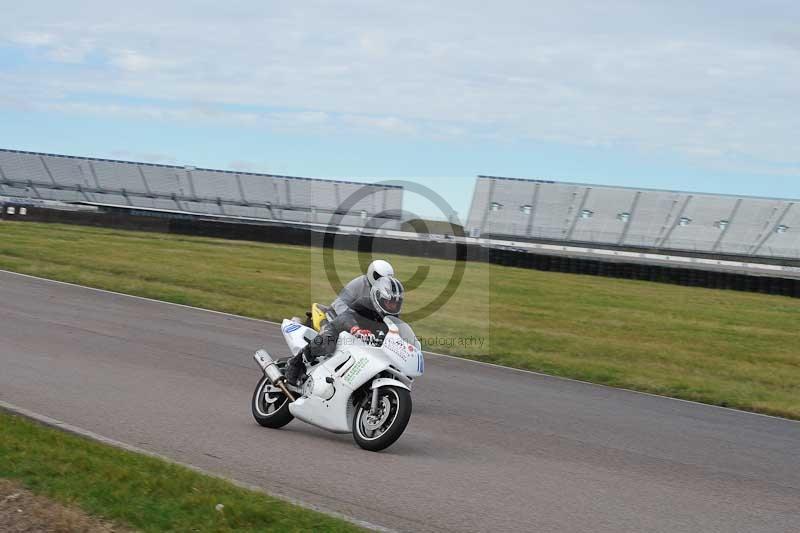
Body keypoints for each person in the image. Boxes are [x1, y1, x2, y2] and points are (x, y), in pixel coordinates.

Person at [286, 276, 405, 386]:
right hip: (342, 330)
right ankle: (296, 362)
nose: (393, 306)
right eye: (389, 302)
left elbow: (397, 336)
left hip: (363, 345)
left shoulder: (392, 318)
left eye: (396, 303)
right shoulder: (365, 304)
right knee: (328, 342)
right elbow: (345, 316)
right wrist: (355, 329)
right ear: (379, 297)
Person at [330, 259, 395, 317]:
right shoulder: (358, 284)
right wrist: (350, 319)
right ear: (372, 273)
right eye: (380, 277)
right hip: (340, 316)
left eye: (387, 279)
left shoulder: (388, 289)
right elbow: (340, 303)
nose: (383, 281)